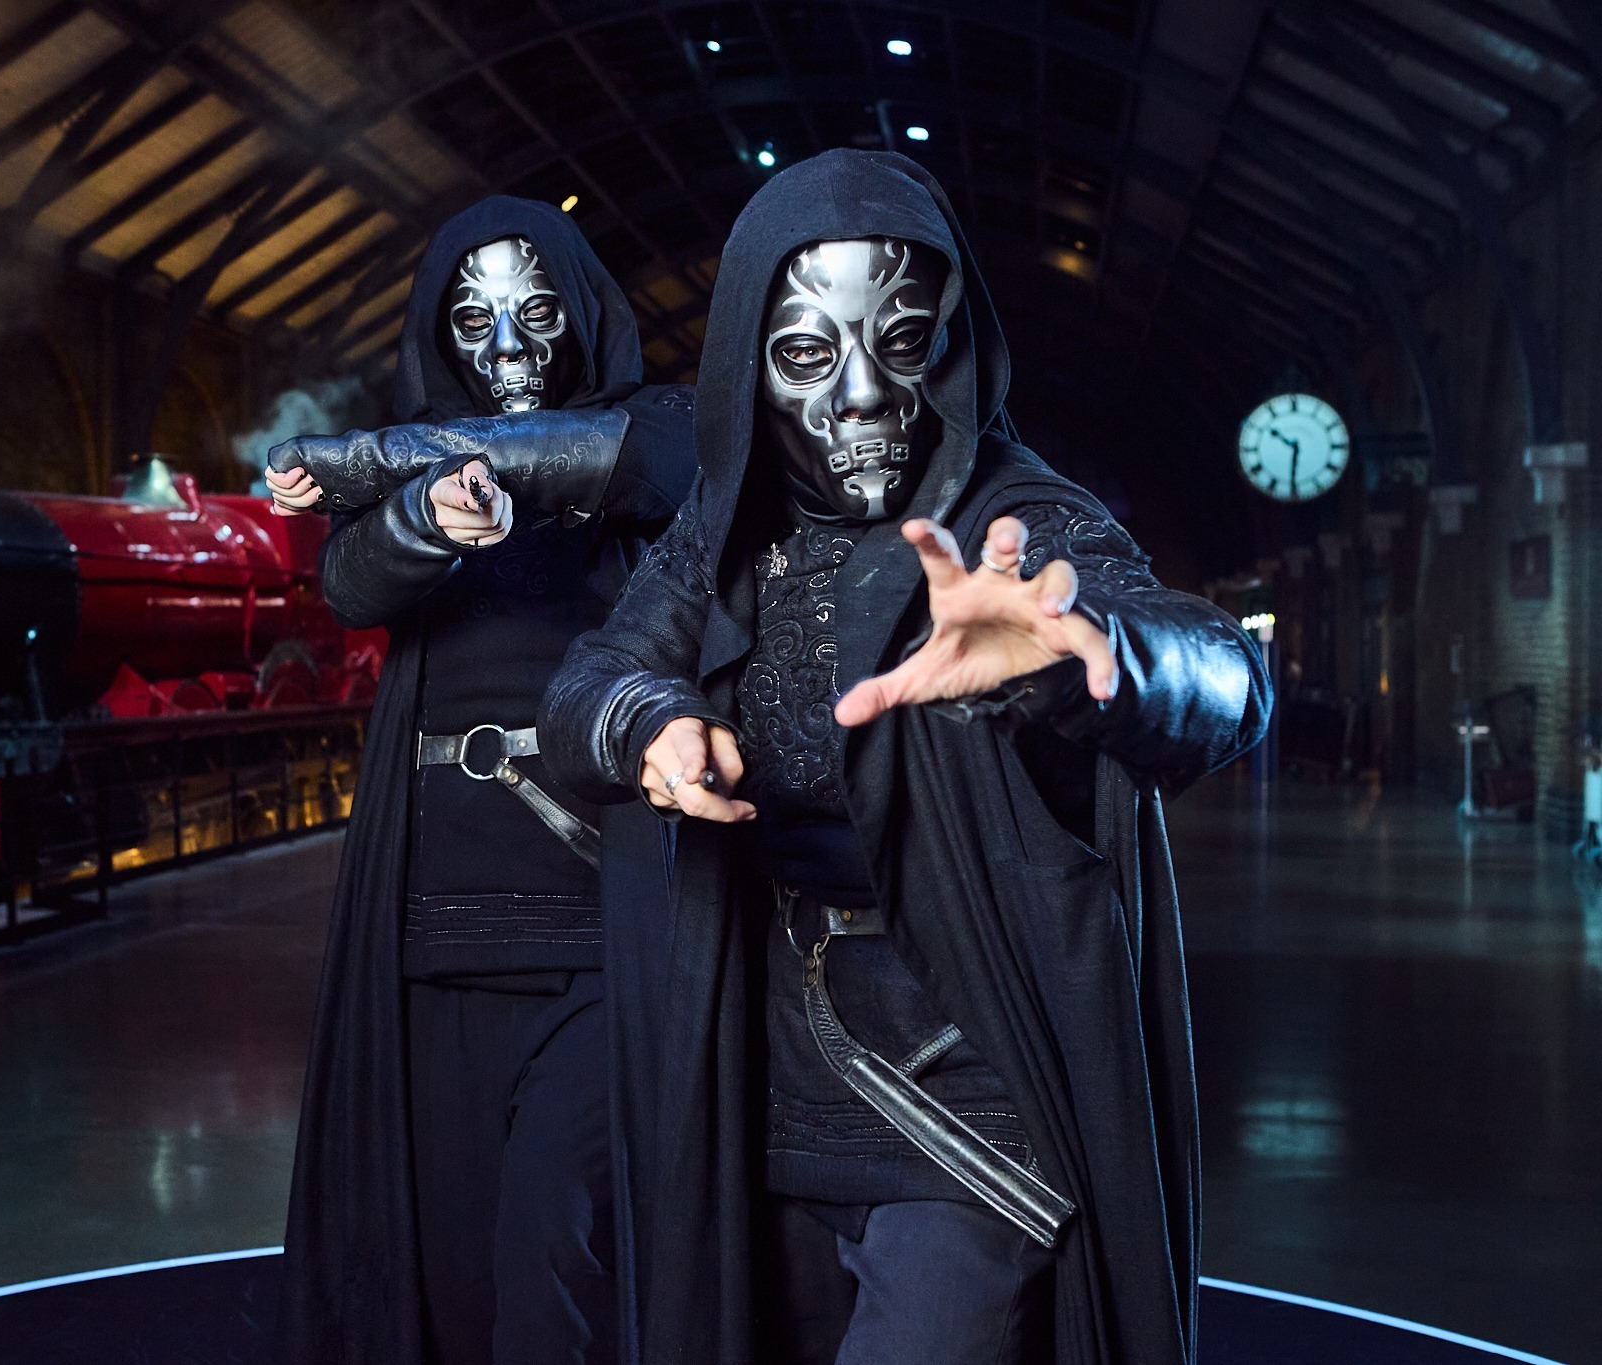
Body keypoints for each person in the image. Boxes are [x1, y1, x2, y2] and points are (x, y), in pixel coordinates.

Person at [538, 149, 1270, 1365]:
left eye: (904, 340)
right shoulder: (716, 537)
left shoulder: (1014, 519)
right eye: (809, 354)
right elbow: (589, 678)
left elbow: (1220, 677)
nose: (866, 395)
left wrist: (1085, 652)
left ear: (950, 344)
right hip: (759, 1078)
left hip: (971, 1089)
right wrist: (647, 724)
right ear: (746, 370)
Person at [270, 195, 697, 1365]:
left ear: (579, 315)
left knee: (550, 1250)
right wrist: (426, 515)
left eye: (533, 310)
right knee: (448, 1259)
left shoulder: (659, 432)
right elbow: (354, 580)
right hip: (440, 923)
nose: (505, 346)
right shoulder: (420, 473)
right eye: (473, 318)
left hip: (598, 915)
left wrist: (371, 466)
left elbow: (610, 462)